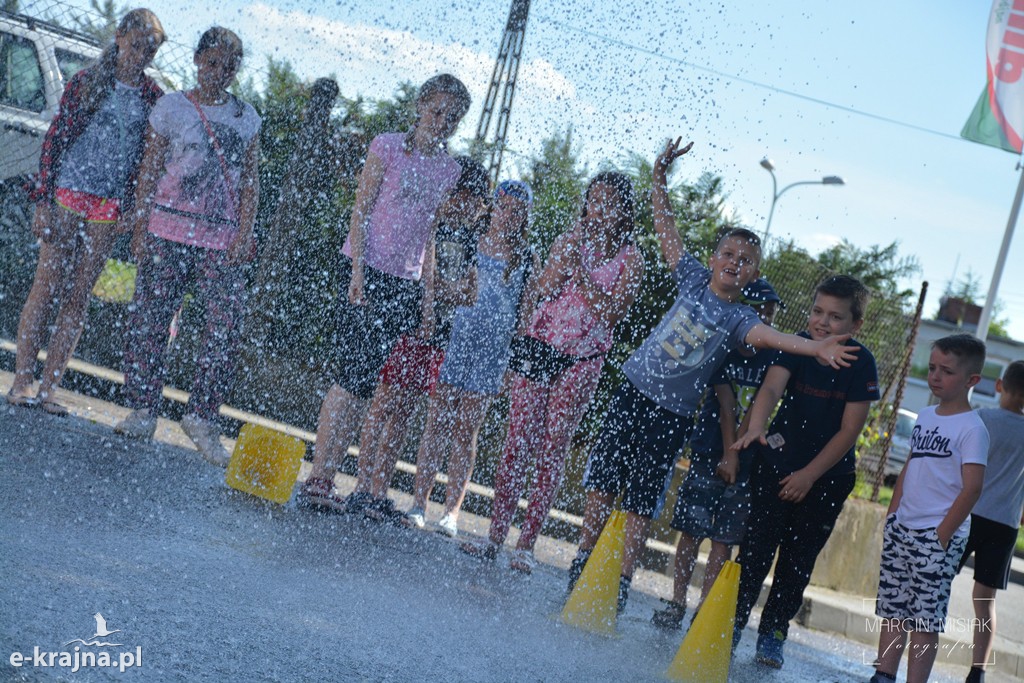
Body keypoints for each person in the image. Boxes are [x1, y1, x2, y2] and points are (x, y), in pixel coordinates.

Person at [565, 136, 858, 616]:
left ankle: (620, 579)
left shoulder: (740, 319)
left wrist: (816, 344)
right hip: (633, 392)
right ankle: (582, 559)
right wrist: (659, 179)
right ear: (715, 256)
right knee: (604, 479)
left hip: (672, 415)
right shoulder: (692, 278)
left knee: (641, 497)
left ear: (751, 273)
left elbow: (776, 337)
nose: (733, 263)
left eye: (744, 261)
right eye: (728, 254)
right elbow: (666, 227)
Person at [297, 74, 471, 512]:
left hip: (405, 283)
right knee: (348, 375)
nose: (443, 121)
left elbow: (430, 236)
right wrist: (355, 272)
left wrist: (428, 302)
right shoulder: (388, 145)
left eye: (453, 117)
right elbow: (362, 207)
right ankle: (319, 475)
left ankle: (332, 477)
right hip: (365, 269)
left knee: (369, 382)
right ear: (419, 105)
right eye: (437, 111)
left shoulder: (449, 170)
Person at [459, 172, 645, 571]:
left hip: (582, 357)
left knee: (552, 447)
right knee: (516, 443)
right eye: (594, 201)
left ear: (624, 212)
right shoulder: (571, 238)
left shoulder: (632, 260)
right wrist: (565, 258)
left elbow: (611, 315)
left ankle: (526, 546)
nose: (599, 210)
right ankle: (494, 538)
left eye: (609, 204)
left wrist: (581, 277)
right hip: (541, 344)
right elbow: (542, 287)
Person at [113, 27, 262, 467]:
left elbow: (251, 180)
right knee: (150, 319)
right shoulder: (173, 106)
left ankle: (201, 416)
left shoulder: (246, 116)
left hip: (220, 237)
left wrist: (244, 231)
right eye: (212, 62)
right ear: (198, 61)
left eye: (229, 66)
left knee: (223, 326)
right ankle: (143, 409)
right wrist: (140, 225)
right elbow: (150, 167)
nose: (219, 72)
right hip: (166, 228)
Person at [7, 9, 165, 415]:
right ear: (120, 37)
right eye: (136, 46)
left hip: (107, 206)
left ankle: (49, 389)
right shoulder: (88, 81)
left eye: (150, 50)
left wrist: (134, 208)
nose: (141, 55)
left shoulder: (152, 98)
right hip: (67, 194)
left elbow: (148, 159)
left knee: (78, 295)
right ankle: (22, 379)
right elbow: (54, 141)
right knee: (46, 283)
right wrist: (42, 200)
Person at [729, 274, 880, 668]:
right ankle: (729, 624)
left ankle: (774, 633)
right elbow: (771, 391)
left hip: (825, 480)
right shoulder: (798, 346)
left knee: (797, 562)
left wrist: (810, 475)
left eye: (835, 317)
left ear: (856, 325)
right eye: (817, 311)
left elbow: (850, 430)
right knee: (755, 552)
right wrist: (757, 425)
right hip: (776, 467)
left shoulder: (862, 363)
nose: (822, 322)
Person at [354, 157, 491, 523]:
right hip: (410, 325)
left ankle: (380, 491)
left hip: (437, 337)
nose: (469, 209)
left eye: (476, 204)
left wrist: (439, 293)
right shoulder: (428, 224)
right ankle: (361, 486)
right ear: (451, 192)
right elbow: (424, 279)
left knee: (404, 412)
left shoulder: (468, 238)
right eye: (465, 199)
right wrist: (434, 301)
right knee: (383, 404)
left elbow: (470, 295)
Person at [402, 180, 540, 536]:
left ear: (524, 217)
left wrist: (515, 365)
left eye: (517, 211)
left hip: (492, 354)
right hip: (455, 342)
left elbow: (525, 318)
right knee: (438, 422)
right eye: (504, 207)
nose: (509, 215)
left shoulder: (526, 258)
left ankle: (452, 512)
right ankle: (419, 503)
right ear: (494, 207)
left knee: (466, 428)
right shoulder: (470, 242)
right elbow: (447, 286)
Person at [651, 277, 781, 630]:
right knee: (691, 530)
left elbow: (759, 404)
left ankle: (702, 614)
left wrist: (739, 453)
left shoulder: (773, 355)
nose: (767, 319)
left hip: (746, 459)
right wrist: (729, 453)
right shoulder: (725, 344)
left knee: (724, 539)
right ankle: (677, 601)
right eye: (761, 311)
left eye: (771, 312)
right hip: (712, 450)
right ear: (746, 311)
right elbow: (726, 404)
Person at [869, 334, 989, 683]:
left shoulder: (972, 428)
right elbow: (910, 466)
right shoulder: (924, 415)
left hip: (936, 538)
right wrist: (892, 516)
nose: (935, 376)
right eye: (933, 368)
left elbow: (973, 487)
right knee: (893, 609)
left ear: (972, 381)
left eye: (946, 371)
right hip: (902, 528)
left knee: (923, 619)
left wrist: (942, 536)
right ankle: (883, 675)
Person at [958, 360, 1024, 683]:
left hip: (967, 512)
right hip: (1004, 523)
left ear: (1000, 385)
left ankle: (916, 644)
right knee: (985, 602)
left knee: (938, 583)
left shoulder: (982, 417)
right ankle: (978, 670)